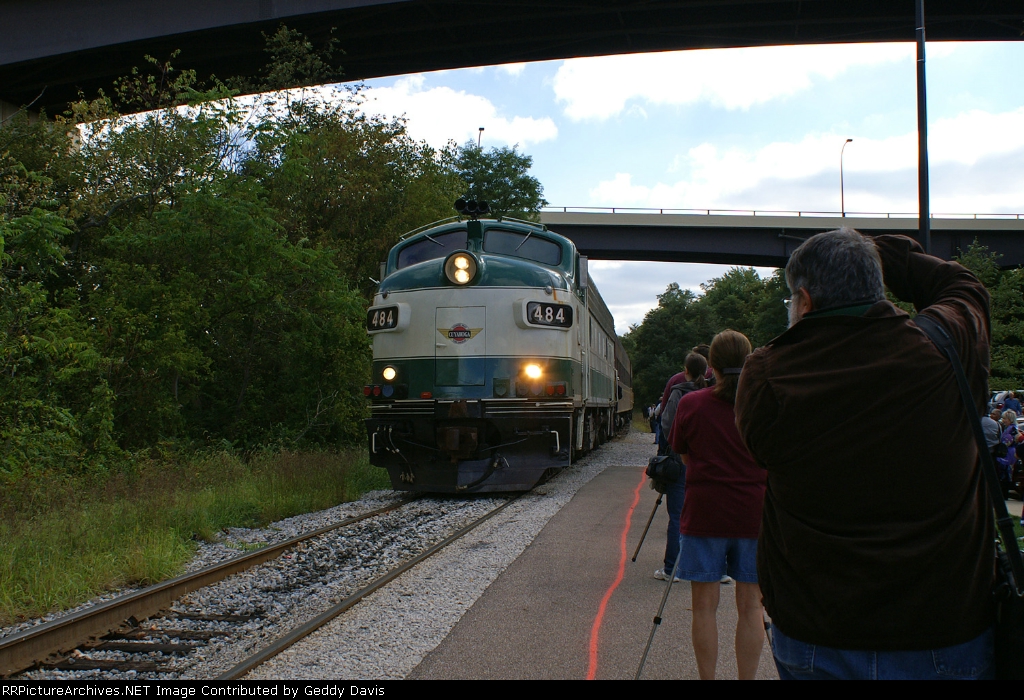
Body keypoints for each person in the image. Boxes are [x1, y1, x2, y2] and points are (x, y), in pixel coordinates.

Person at [735, 229, 995, 680]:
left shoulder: (768, 374)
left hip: (816, 630)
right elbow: (964, 285)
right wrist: (871, 248)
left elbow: (759, 451)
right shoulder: (947, 345)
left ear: (805, 301)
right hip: (944, 628)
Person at [670, 330, 766, 680]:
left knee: (703, 608)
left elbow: (683, 456)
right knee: (751, 607)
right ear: (749, 360)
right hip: (754, 515)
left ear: (711, 365)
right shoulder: (763, 404)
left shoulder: (691, 404)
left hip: (704, 514)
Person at [653, 351, 707, 582]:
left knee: (677, 514)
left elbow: (666, 422)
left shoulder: (678, 390)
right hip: (705, 460)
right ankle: (713, 567)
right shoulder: (712, 391)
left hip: (680, 457)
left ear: (686, 370)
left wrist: (675, 446)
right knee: (705, 513)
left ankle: (671, 568)